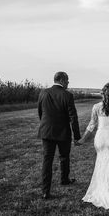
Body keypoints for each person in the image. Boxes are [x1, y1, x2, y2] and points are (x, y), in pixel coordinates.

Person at [77, 83, 109, 209]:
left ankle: (101, 190)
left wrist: (83, 140)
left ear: (102, 93)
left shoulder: (96, 107)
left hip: (100, 138)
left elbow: (91, 126)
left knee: (101, 164)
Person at [37, 71, 81, 199]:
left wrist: (45, 126)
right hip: (63, 132)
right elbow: (73, 117)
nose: (68, 83)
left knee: (47, 160)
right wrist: (77, 136)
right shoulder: (67, 95)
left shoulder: (43, 93)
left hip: (46, 131)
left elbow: (40, 112)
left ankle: (45, 191)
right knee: (64, 157)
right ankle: (64, 179)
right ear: (61, 80)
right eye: (67, 80)